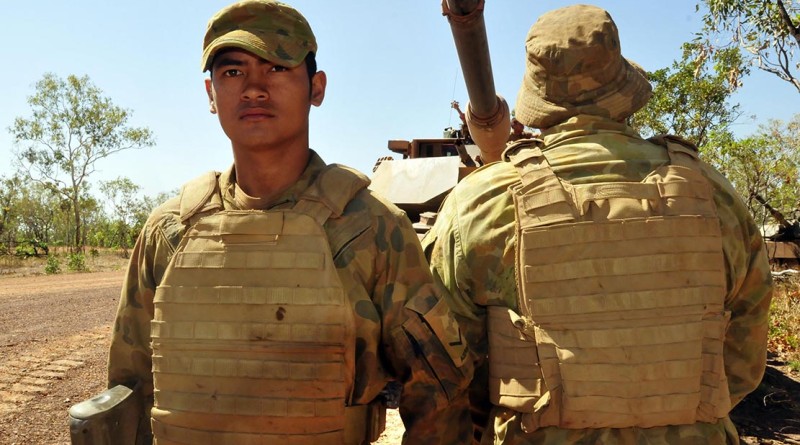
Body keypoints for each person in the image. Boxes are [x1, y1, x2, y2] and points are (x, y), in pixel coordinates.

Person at [107, 1, 473, 444]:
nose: (254, 89)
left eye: (278, 68)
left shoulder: (372, 229)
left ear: (316, 88)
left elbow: (439, 395)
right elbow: (129, 388)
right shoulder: (169, 232)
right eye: (233, 72)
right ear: (210, 94)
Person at [421, 5, 773, 444]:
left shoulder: (480, 203)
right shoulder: (712, 195)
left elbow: (445, 368)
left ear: (538, 94)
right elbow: (742, 358)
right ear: (622, 89)